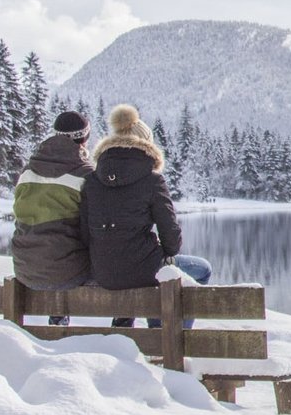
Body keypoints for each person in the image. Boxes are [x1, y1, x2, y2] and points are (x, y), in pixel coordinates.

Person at [79, 104, 211, 326]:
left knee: (149, 269)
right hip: (142, 270)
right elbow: (171, 238)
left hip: (102, 270)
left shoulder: (92, 181)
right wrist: (164, 251)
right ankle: (170, 336)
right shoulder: (152, 180)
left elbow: (84, 233)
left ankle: (151, 336)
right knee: (202, 270)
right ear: (146, 146)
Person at [11, 110, 95, 326]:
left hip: (24, 269)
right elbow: (92, 230)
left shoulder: (27, 172)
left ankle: (57, 321)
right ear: (84, 139)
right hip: (67, 272)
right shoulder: (85, 175)